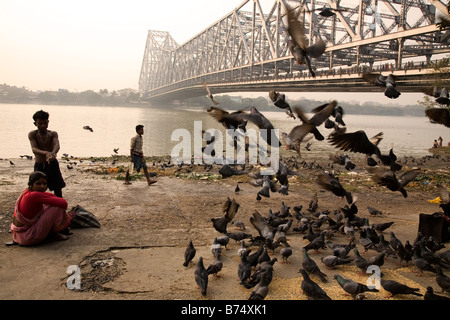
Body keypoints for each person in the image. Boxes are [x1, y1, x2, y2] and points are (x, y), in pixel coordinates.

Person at [9, 171, 74, 246]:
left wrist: (49, 197)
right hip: (29, 237)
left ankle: (50, 233)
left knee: (48, 204)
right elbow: (63, 203)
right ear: (31, 185)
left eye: (44, 184)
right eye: (38, 183)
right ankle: (52, 234)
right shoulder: (33, 196)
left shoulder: (26, 192)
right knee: (57, 207)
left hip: (17, 236)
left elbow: (50, 196)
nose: (42, 186)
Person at [28, 110, 66, 197]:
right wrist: (46, 153)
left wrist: (52, 153)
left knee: (57, 188)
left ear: (48, 122)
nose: (43, 126)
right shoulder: (32, 134)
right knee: (37, 189)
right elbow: (34, 149)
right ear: (35, 124)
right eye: (40, 123)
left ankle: (59, 208)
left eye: (45, 123)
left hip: (52, 164)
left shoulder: (52, 134)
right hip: (40, 164)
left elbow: (57, 145)